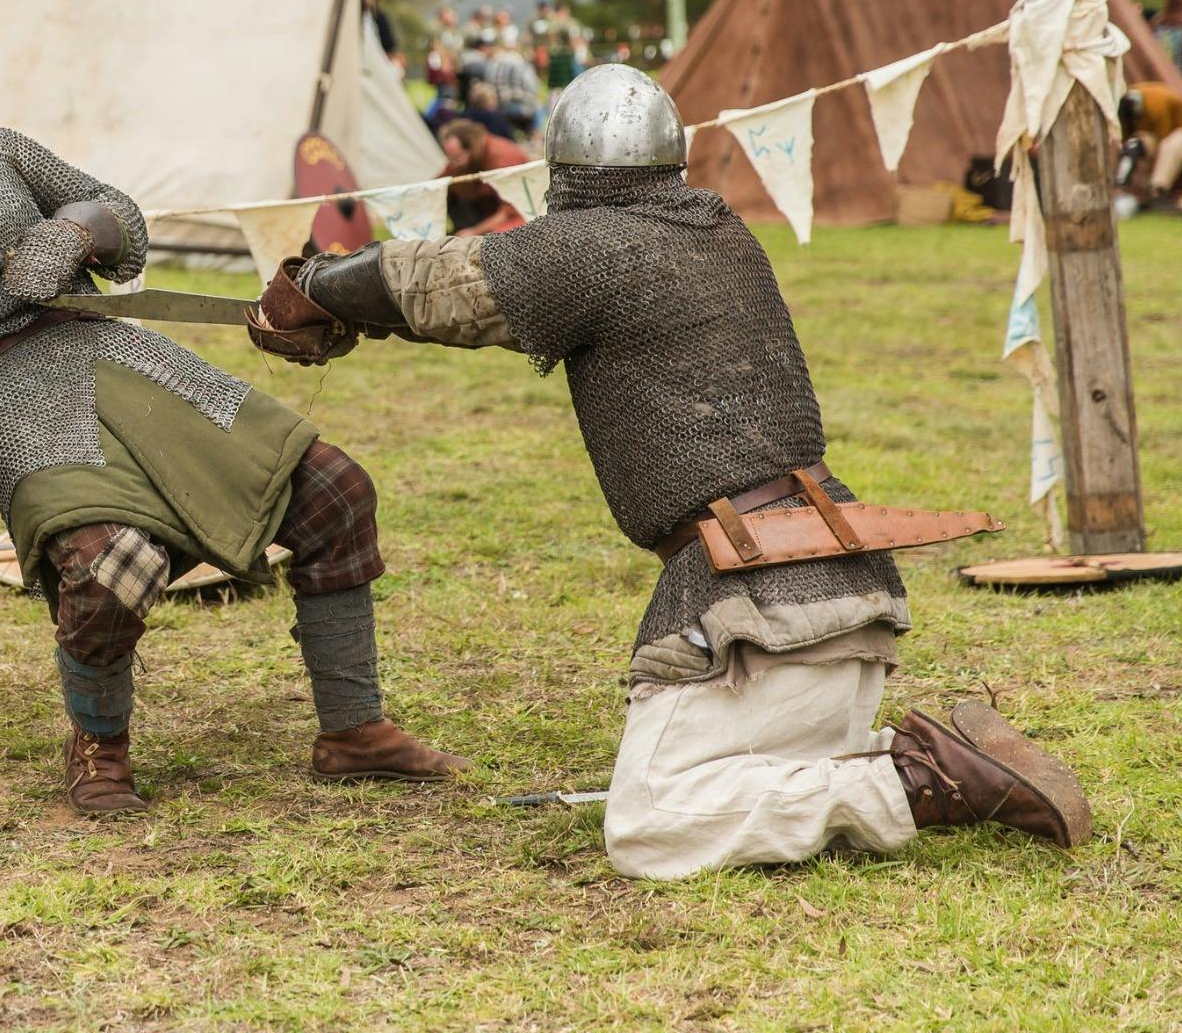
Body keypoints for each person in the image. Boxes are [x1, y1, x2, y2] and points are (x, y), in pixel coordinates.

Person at [248, 64, 1093, 880]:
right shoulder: (718, 229)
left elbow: (441, 284)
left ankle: (919, 782)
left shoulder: (586, 248)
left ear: (566, 170)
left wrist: (312, 283)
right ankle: (909, 763)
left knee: (649, 827)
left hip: (757, 614)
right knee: (731, 782)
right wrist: (367, 317)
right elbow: (477, 301)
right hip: (842, 600)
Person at [0, 7, 470, 815]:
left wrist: (75, 233)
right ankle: (98, 748)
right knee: (108, 567)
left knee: (334, 492)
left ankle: (353, 729)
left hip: (122, 355)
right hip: (9, 397)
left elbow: (118, 210)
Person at [437, 118, 528, 236]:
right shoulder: (465, 162)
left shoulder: (502, 158)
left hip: (514, 219)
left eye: (458, 158)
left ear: (471, 147)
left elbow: (511, 210)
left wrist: (474, 232)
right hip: (485, 211)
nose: (454, 164)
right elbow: (443, 183)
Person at [1117, 82, 1182, 211]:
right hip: (1155, 134)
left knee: (1170, 144)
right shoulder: (1126, 101)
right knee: (1136, 142)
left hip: (1179, 131)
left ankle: (1158, 190)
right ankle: (1127, 187)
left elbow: (1163, 137)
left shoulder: (1157, 106)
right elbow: (1126, 134)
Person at [483, 34, 541, 139]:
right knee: (539, 107)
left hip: (501, 107)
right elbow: (533, 86)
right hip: (524, 108)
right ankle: (535, 140)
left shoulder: (494, 63)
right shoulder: (521, 62)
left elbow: (489, 83)